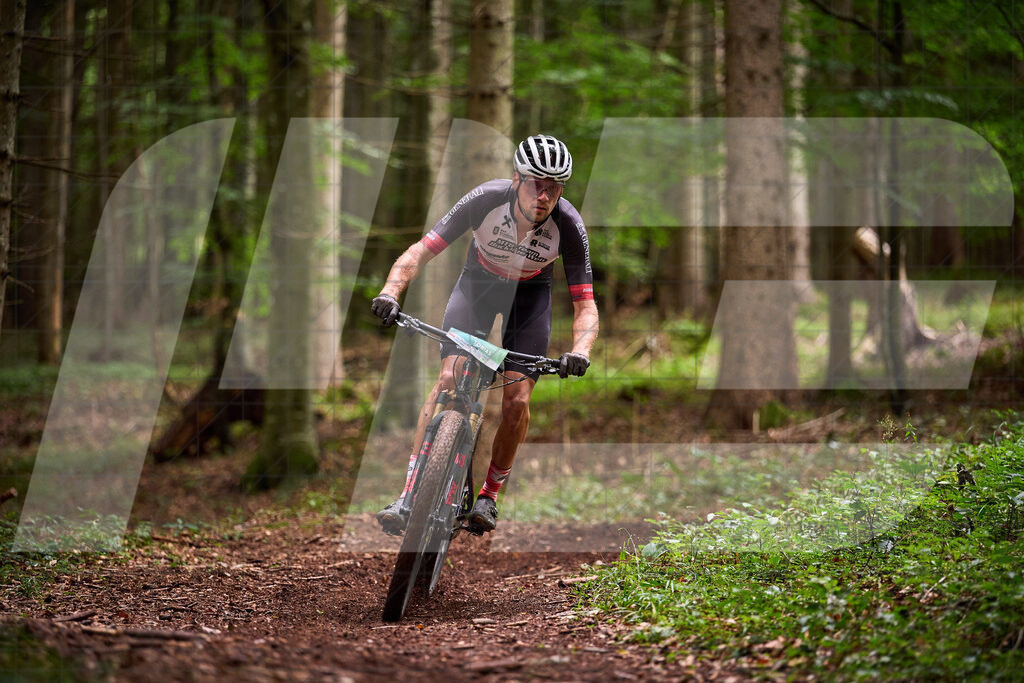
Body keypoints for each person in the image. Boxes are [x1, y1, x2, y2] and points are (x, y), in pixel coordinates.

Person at [371, 134, 599, 534]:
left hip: (528, 300)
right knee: (448, 379)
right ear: (516, 179)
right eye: (535, 183)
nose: (543, 195)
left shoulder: (569, 224)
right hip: (477, 286)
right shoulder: (484, 199)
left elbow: (585, 304)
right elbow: (420, 252)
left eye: (554, 187)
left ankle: (489, 496)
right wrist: (390, 292)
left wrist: (581, 348)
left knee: (516, 401)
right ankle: (409, 493)